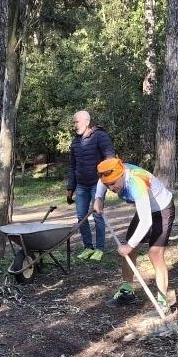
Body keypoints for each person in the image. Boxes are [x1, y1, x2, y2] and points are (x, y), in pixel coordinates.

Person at [93, 158, 175, 308]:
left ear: (122, 174)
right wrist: (98, 198)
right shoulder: (112, 172)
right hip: (146, 209)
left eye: (113, 184)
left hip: (162, 210)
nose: (111, 188)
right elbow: (102, 181)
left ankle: (163, 302)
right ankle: (127, 292)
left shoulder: (136, 183)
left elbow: (146, 221)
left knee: (155, 254)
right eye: (108, 185)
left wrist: (130, 245)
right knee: (129, 252)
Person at [66, 110, 116, 261]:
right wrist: (70, 189)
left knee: (97, 214)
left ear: (87, 122)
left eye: (77, 122)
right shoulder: (75, 141)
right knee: (81, 216)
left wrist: (107, 180)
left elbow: (110, 158)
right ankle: (88, 247)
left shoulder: (100, 136)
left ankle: (99, 249)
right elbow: (73, 167)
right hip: (81, 185)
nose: (74, 125)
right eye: (74, 122)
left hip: (97, 184)